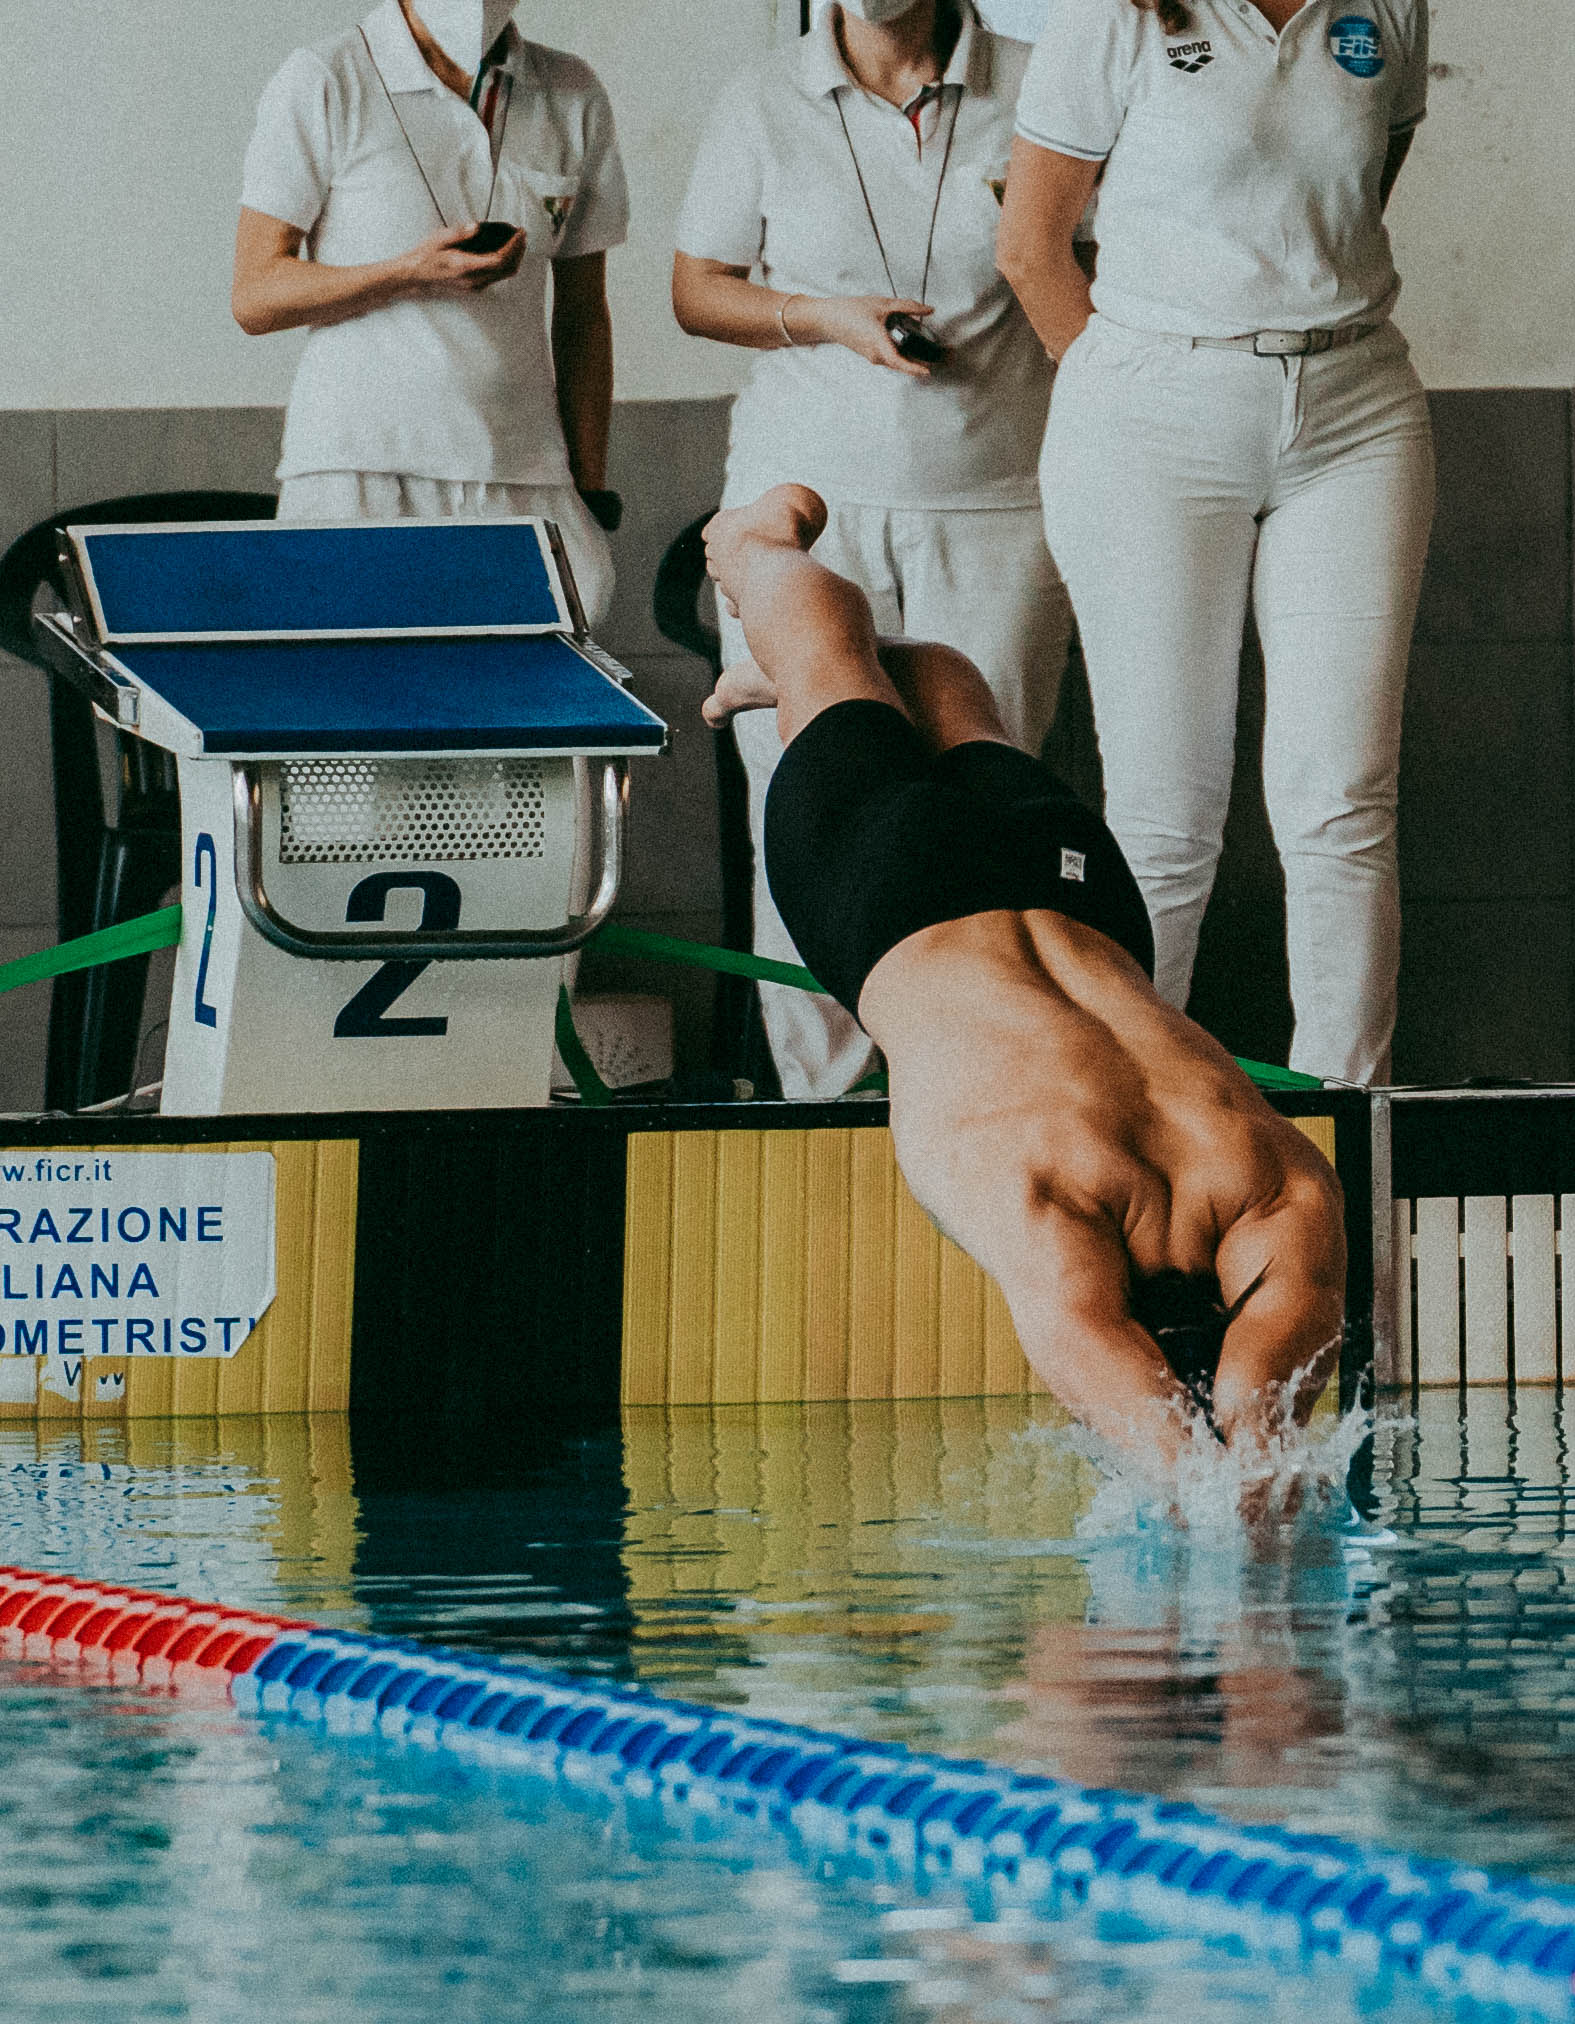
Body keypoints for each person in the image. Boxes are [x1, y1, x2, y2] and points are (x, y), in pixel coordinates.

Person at [699, 483, 1347, 1471]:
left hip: (1074, 896)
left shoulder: (1285, 1187)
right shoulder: (1056, 1206)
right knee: (830, 658)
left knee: (950, 689)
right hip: (891, 902)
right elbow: (1184, 1441)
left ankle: (793, 667)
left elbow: (1260, 1398)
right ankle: (753, 551)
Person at [997, 0, 1436, 1086]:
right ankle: (1146, 1123)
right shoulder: (1114, 15)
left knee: (1342, 796)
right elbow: (1030, 244)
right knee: (1165, 811)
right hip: (1154, 404)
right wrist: (1126, 392)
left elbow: (1354, 189)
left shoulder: (1390, 6)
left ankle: (1349, 1124)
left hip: (1354, 399)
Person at [674, 0, 1075, 1099]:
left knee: (984, 806)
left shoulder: (1045, 79)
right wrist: (828, 316)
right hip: (809, 506)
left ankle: (963, 1096)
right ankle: (824, 1101)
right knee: (811, 815)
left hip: (1000, 507)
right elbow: (695, 289)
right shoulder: (765, 97)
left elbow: (1100, 265)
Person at [235, 0, 628, 623]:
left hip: (524, 472)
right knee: (361, 706)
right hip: (358, 467)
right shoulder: (325, 76)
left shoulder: (570, 91)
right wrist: (404, 273)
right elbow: (256, 293)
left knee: (526, 711)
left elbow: (583, 314)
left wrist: (590, 488)